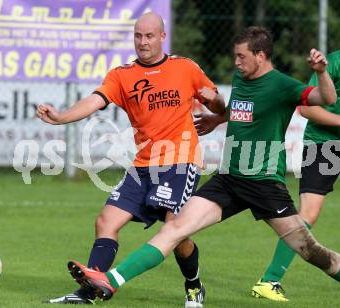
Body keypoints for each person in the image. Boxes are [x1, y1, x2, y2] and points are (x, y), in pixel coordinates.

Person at [64, 26, 340, 308]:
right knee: (175, 230)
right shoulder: (242, 77)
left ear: (260, 56)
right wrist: (218, 117)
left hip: (264, 184)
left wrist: (321, 71)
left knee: (311, 251)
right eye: (235, 56)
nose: (236, 62)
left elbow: (326, 99)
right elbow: (241, 108)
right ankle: (110, 280)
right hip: (228, 179)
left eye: (241, 56)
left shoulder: (283, 85)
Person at [37, 12, 225, 306]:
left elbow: (217, 99)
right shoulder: (122, 75)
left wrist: (214, 100)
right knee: (106, 221)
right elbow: (94, 101)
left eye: (149, 36)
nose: (142, 42)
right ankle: (90, 291)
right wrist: (61, 117)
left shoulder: (185, 67)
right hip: (142, 165)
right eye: (138, 36)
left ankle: (193, 284)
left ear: (163, 37)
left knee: (174, 231)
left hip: (180, 160)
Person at [250, 9, 340, 303]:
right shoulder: (335, 62)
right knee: (309, 214)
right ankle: (269, 280)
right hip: (323, 145)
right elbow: (306, 108)